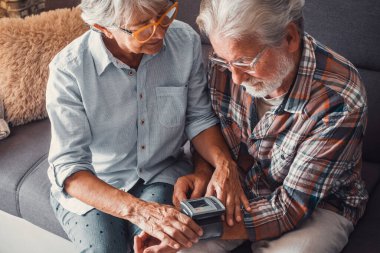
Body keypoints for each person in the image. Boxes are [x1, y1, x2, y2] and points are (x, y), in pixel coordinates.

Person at [135, 0, 369, 252]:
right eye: (226, 62)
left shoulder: (340, 99)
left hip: (317, 204)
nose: (235, 77)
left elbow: (287, 210)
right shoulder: (227, 60)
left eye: (245, 62)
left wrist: (188, 228)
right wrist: (204, 170)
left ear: (289, 38)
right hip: (240, 184)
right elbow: (211, 124)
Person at [46, 0, 250, 252]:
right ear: (104, 27)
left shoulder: (185, 41)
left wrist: (224, 164)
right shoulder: (68, 71)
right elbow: (70, 170)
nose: (161, 32)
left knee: (153, 247)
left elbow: (199, 119)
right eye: (143, 27)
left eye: (164, 16)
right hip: (96, 184)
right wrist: (141, 211)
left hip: (161, 173)